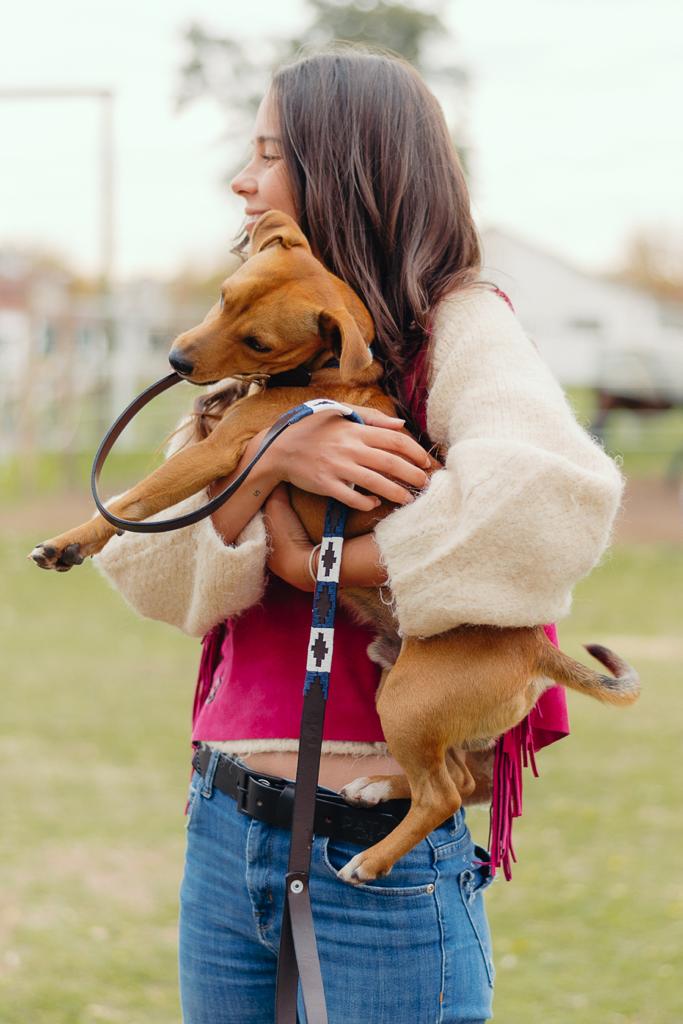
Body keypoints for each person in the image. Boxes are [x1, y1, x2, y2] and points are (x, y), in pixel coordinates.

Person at [93, 45, 624, 1024]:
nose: (240, 181)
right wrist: (270, 461)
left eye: (267, 154)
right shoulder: (265, 336)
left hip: (372, 857)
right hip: (223, 826)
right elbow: (150, 566)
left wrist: (315, 559)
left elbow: (551, 502)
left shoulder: (456, 323)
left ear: (340, 168)